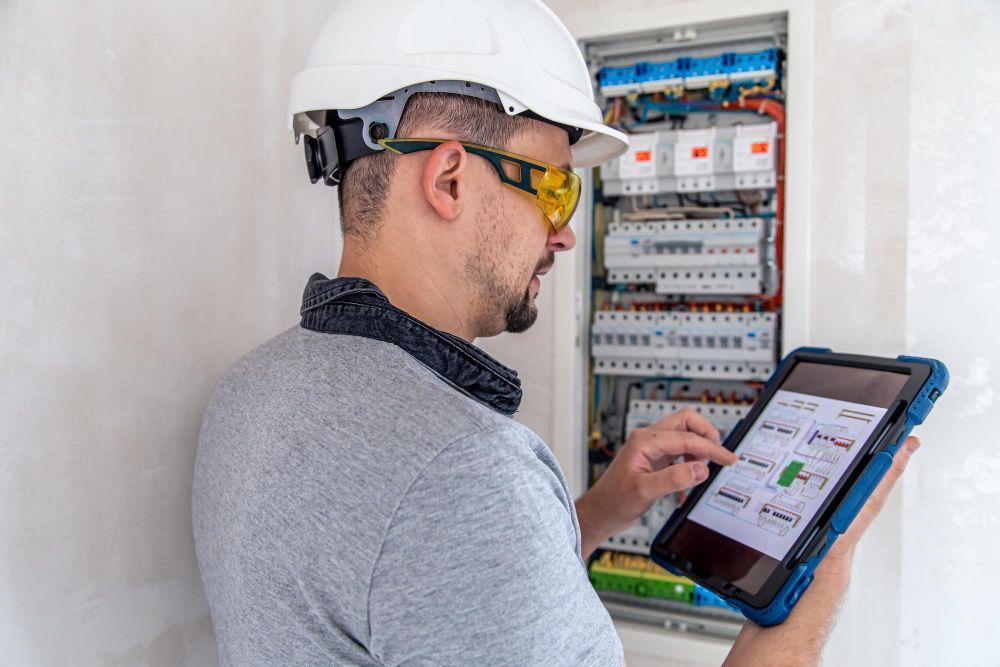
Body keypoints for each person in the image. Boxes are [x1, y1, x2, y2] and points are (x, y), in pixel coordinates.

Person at [192, 1, 920, 665]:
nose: (566, 234)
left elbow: (433, 599)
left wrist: (600, 508)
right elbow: (446, 533)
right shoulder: (462, 470)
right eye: (555, 187)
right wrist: (813, 579)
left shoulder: (255, 388)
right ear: (448, 180)